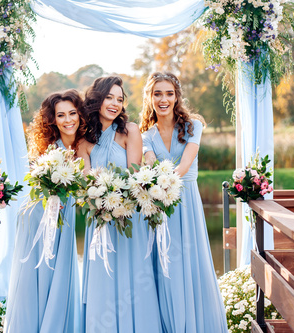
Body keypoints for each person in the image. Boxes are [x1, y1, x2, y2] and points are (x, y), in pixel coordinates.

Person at [139, 72, 228, 332]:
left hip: (186, 202)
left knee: (191, 263)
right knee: (165, 265)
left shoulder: (193, 126)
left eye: (169, 93)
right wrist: (157, 180)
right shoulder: (145, 135)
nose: (163, 99)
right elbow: (149, 164)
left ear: (177, 96)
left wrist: (164, 180)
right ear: (150, 97)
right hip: (161, 207)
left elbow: (185, 163)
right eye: (157, 93)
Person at [77, 76, 162, 333]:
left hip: (128, 218)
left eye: (120, 99)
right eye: (109, 97)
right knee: (102, 281)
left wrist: (116, 196)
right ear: (97, 99)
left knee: (132, 282)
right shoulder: (83, 140)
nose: (115, 103)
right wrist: (99, 197)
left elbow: (134, 175)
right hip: (100, 220)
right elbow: (85, 179)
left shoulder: (130, 131)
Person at [4, 89, 84, 333]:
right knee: (35, 277)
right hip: (39, 218)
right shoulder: (48, 149)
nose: (68, 120)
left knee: (61, 274)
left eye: (72, 113)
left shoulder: (84, 146)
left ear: (80, 114)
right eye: (61, 115)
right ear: (53, 119)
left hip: (64, 217)